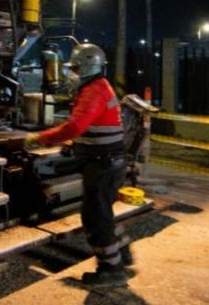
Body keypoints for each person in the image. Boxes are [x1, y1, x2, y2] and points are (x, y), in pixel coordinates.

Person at [24, 43, 130, 285]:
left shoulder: (93, 90)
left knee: (95, 216)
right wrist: (76, 142)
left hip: (103, 162)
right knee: (102, 212)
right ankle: (121, 253)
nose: (71, 72)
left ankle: (112, 269)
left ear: (86, 67)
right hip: (106, 160)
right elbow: (93, 126)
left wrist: (40, 138)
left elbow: (75, 126)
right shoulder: (97, 86)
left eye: (75, 68)